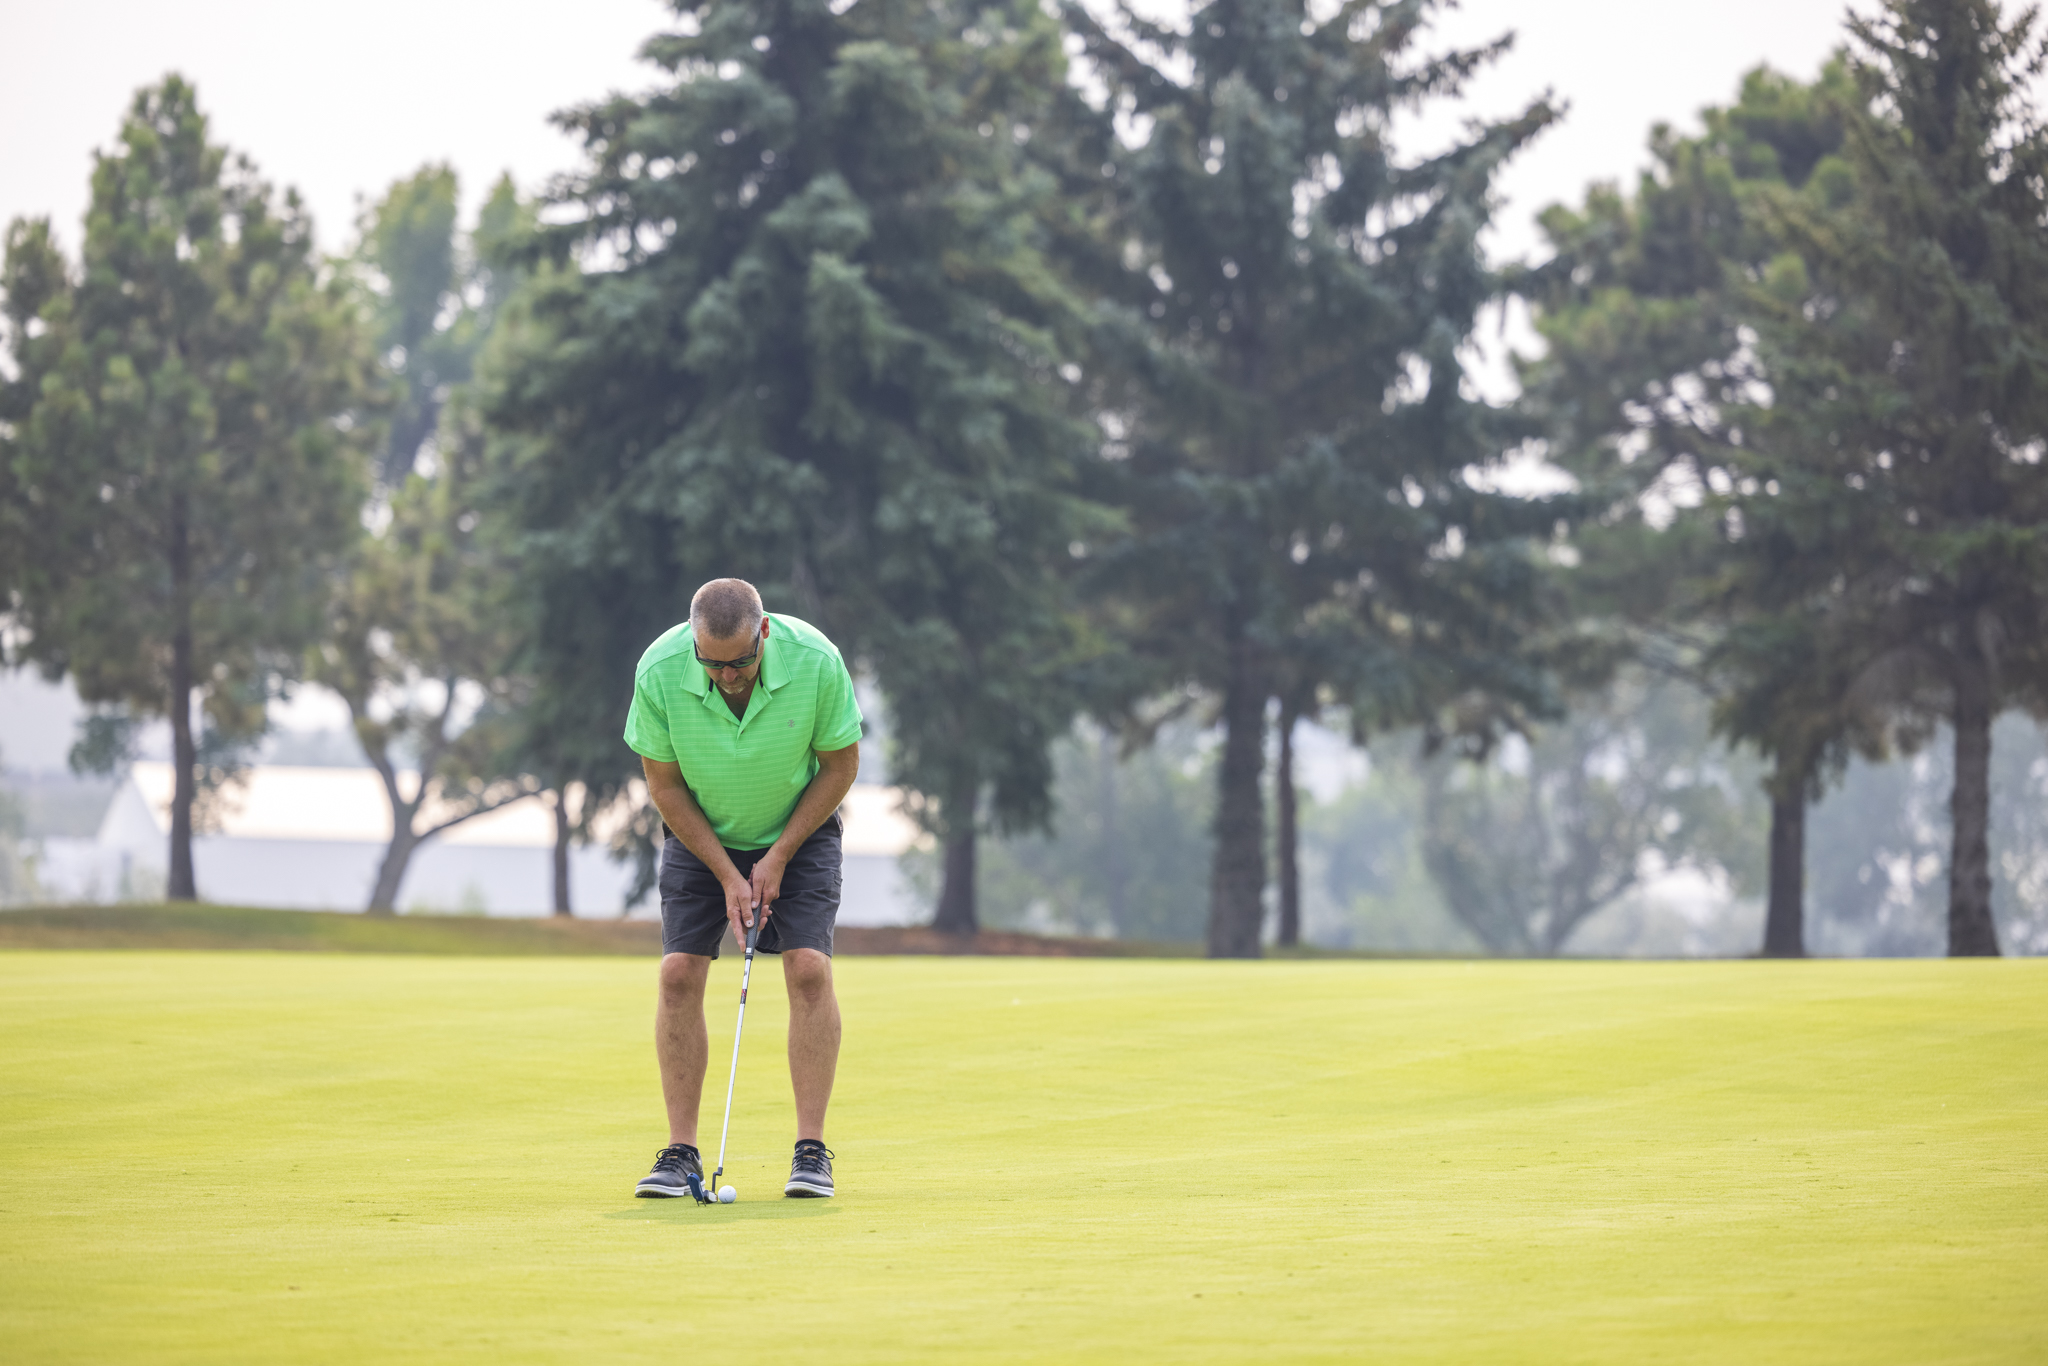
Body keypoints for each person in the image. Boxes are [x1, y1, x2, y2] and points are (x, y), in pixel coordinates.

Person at [623, 577, 862, 1199]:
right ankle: (680, 1153)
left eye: (740, 661)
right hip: (699, 831)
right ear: (694, 641)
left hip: (800, 830)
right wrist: (728, 874)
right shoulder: (659, 669)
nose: (727, 676)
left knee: (808, 969)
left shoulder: (816, 660)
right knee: (677, 974)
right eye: (712, 663)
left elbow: (841, 765)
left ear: (763, 633)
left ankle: (811, 1152)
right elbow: (664, 785)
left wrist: (779, 855)